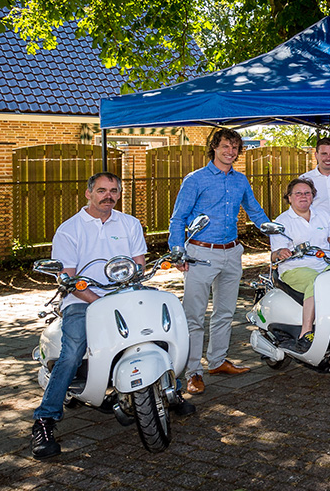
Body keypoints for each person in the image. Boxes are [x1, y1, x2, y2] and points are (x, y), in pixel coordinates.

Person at [31, 173, 193, 459]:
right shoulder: (69, 229)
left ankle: (171, 388)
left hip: (124, 293)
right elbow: (67, 276)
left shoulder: (129, 223)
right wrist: (96, 300)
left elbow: (139, 263)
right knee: (73, 351)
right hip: (82, 300)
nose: (109, 195)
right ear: (88, 193)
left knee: (157, 332)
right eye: (102, 190)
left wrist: (135, 278)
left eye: (114, 191)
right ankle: (45, 420)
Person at [170, 128, 271, 395]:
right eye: (225, 146)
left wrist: (275, 230)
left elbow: (255, 211)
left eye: (235, 147)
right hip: (201, 253)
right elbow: (178, 218)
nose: (230, 151)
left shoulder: (240, 180)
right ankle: (193, 372)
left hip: (232, 252)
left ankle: (217, 361)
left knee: (225, 312)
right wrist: (177, 251)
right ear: (214, 147)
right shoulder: (195, 179)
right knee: (194, 317)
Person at [269, 178, 330, 354]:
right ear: (289, 197)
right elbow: (274, 254)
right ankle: (306, 332)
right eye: (298, 193)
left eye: (307, 193)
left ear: (313, 196)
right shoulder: (282, 221)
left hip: (324, 264)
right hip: (294, 268)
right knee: (318, 282)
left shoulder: (323, 216)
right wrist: (280, 253)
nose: (303, 196)